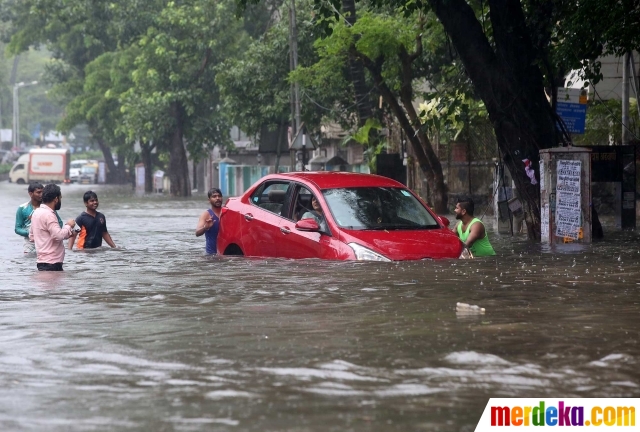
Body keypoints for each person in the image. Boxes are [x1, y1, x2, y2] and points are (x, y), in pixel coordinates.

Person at [29, 184, 76, 271]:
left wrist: (67, 233)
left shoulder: (36, 213)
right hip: (52, 263)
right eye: (60, 198)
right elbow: (58, 236)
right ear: (56, 199)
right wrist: (68, 225)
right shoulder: (49, 215)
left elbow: (32, 237)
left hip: (41, 262)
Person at [15, 182, 44, 254]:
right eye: (38, 192)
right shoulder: (22, 208)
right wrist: (30, 233)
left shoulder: (48, 207)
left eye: (43, 192)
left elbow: (59, 223)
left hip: (45, 243)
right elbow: (17, 229)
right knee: (28, 263)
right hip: (30, 244)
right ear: (31, 194)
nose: (41, 195)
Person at [195, 188, 222, 254]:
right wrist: (205, 227)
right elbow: (197, 233)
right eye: (214, 196)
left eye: (219, 196)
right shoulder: (206, 215)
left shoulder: (227, 212)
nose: (217, 198)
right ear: (209, 200)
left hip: (226, 253)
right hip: (211, 255)